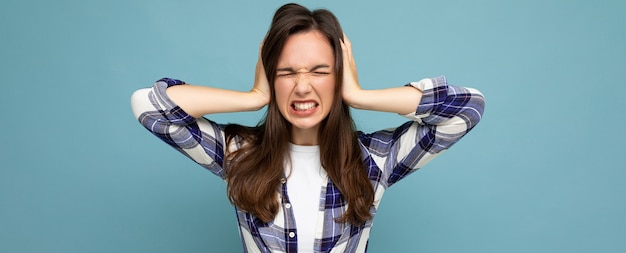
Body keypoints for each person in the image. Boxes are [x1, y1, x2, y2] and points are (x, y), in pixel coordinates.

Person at [131, 3, 484, 253]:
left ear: (338, 77)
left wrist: (359, 95)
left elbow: (466, 109)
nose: (302, 87)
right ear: (272, 78)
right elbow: (150, 105)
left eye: (319, 71)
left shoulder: (376, 159)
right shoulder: (238, 154)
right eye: (287, 72)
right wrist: (253, 97)